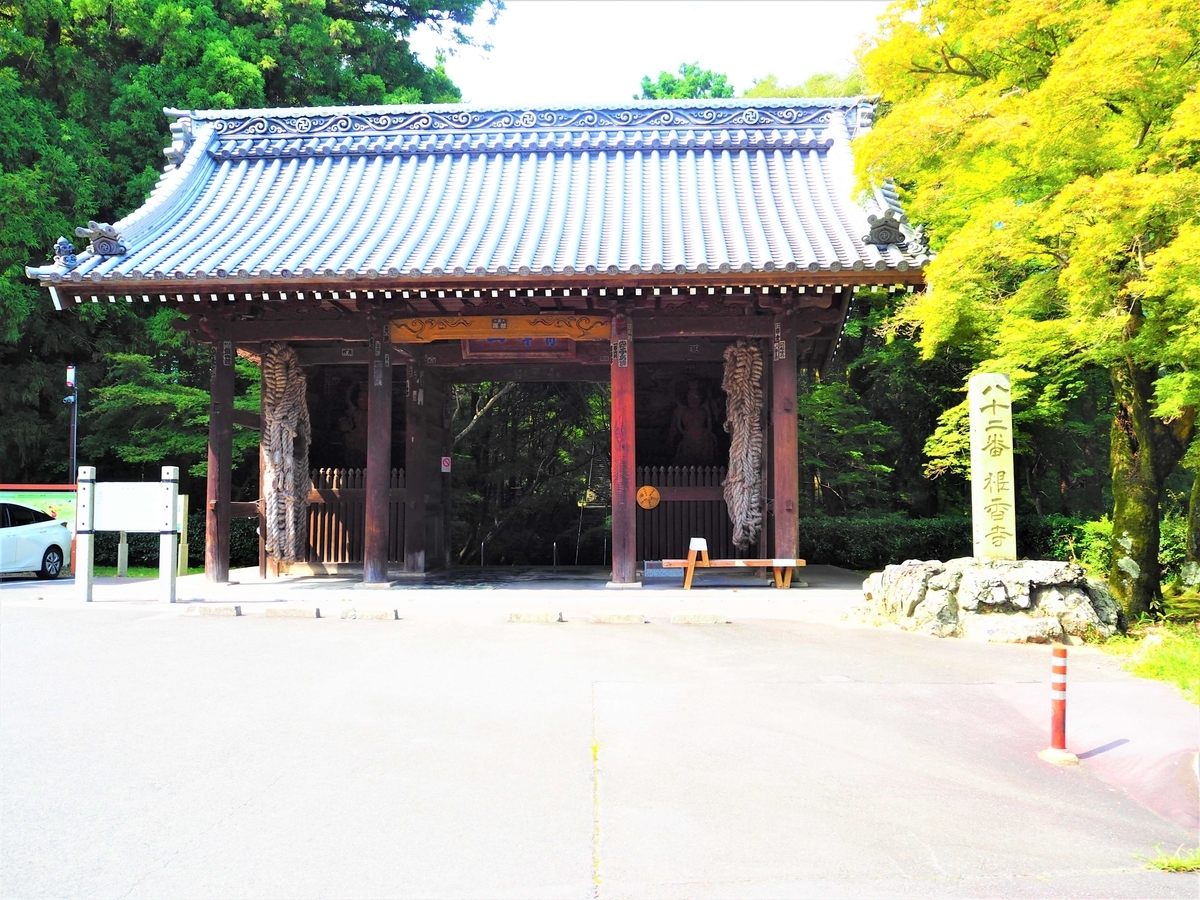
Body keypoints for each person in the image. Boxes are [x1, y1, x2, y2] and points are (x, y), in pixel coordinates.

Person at [670, 382, 718, 465]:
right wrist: (670, 441)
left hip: (705, 442)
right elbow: (673, 429)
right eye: (690, 397)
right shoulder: (680, 411)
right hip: (688, 442)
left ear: (700, 398)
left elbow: (716, 420)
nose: (693, 400)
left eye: (696, 396)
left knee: (706, 468)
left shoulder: (705, 410)